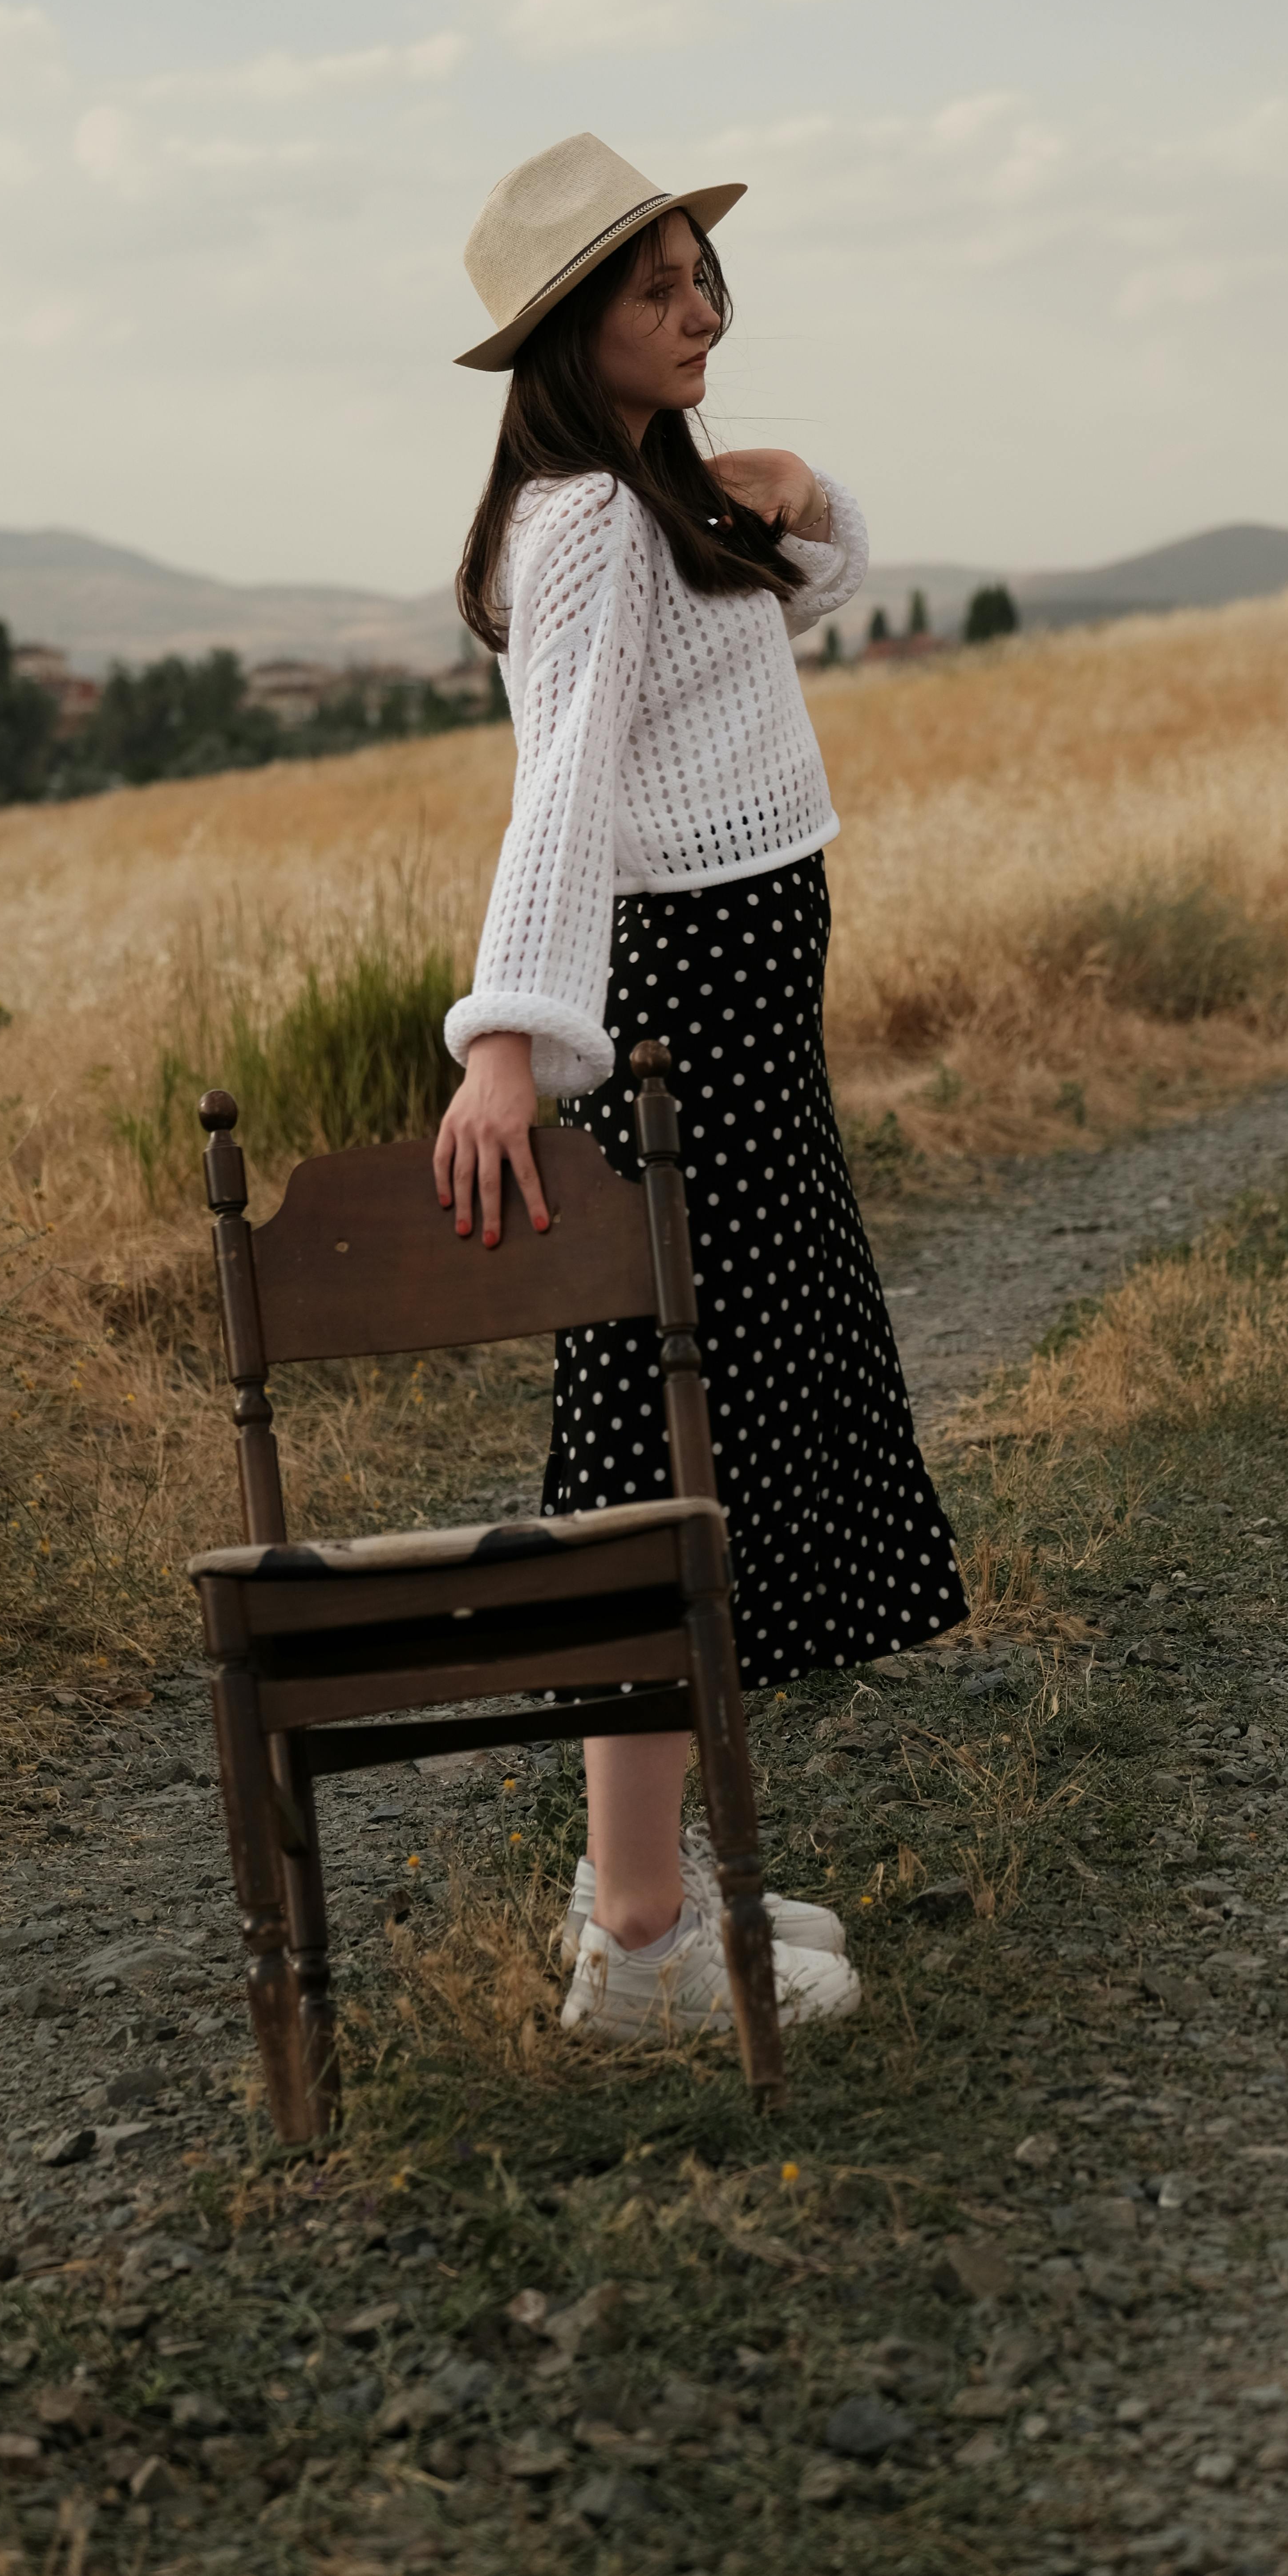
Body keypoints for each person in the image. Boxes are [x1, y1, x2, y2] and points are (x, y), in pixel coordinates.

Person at [434, 132, 966, 2043]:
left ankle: (635, 1892)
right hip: (678, 1039)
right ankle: (643, 1941)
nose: (700, 307)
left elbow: (802, 591)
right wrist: (507, 1041)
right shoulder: (582, 524)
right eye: (657, 284)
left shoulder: (640, 502)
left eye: (701, 275)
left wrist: (796, 488)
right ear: (573, 329)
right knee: (659, 1455)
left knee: (699, 1446)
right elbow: (562, 785)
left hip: (738, 1034)